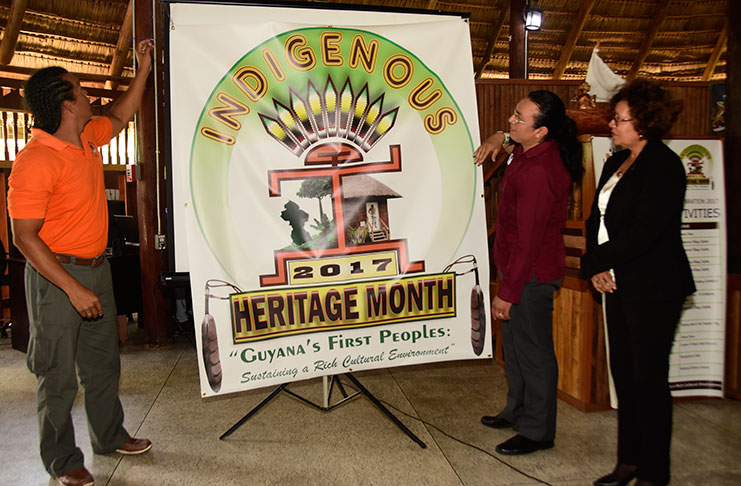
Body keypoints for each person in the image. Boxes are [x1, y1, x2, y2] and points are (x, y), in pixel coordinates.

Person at [7, 39, 156, 486]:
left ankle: (109, 436)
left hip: (97, 268)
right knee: (56, 374)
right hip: (57, 277)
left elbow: (122, 113)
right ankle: (61, 458)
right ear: (67, 103)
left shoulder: (88, 138)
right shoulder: (35, 161)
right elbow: (23, 237)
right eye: (81, 90)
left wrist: (143, 68)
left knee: (103, 365)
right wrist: (72, 288)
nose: (90, 96)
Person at [580, 79, 695, 486]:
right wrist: (596, 267)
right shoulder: (615, 161)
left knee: (649, 381)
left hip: (655, 287)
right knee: (625, 378)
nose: (612, 124)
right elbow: (597, 219)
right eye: (614, 117)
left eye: (620, 119)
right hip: (616, 282)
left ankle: (654, 473)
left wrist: (598, 260)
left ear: (644, 123)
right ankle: (627, 462)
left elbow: (645, 232)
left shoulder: (664, 166)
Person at [473, 91, 582, 455]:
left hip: (531, 274)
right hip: (519, 269)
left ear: (541, 131)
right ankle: (516, 410)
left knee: (534, 354)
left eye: (519, 118)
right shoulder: (529, 149)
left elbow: (530, 241)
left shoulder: (540, 171)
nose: (510, 121)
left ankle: (538, 431)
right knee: (516, 350)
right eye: (512, 114)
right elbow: (509, 138)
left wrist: (508, 291)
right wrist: (499, 138)